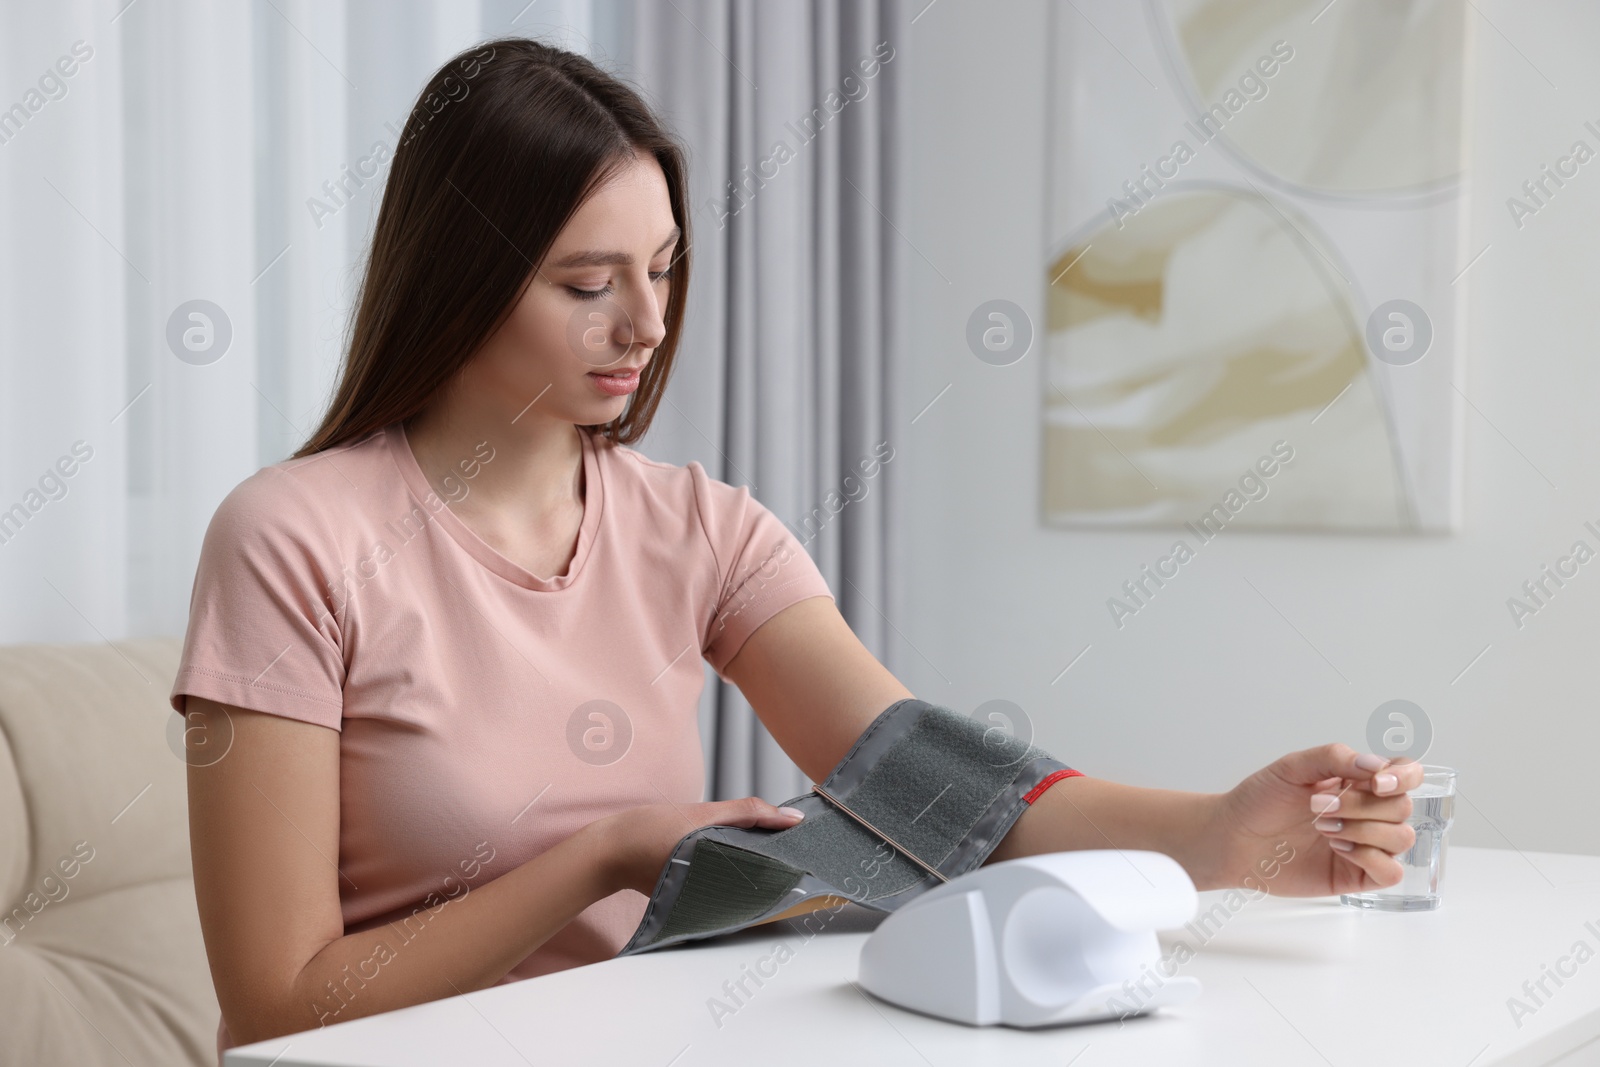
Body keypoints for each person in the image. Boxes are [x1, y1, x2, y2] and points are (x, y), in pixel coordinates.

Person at [172, 37, 1422, 1058]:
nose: (650, 323)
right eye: (587, 283)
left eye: (663, 269)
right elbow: (282, 999)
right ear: (458, 277)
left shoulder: (699, 527)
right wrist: (600, 855)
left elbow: (936, 786)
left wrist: (1224, 833)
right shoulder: (292, 539)